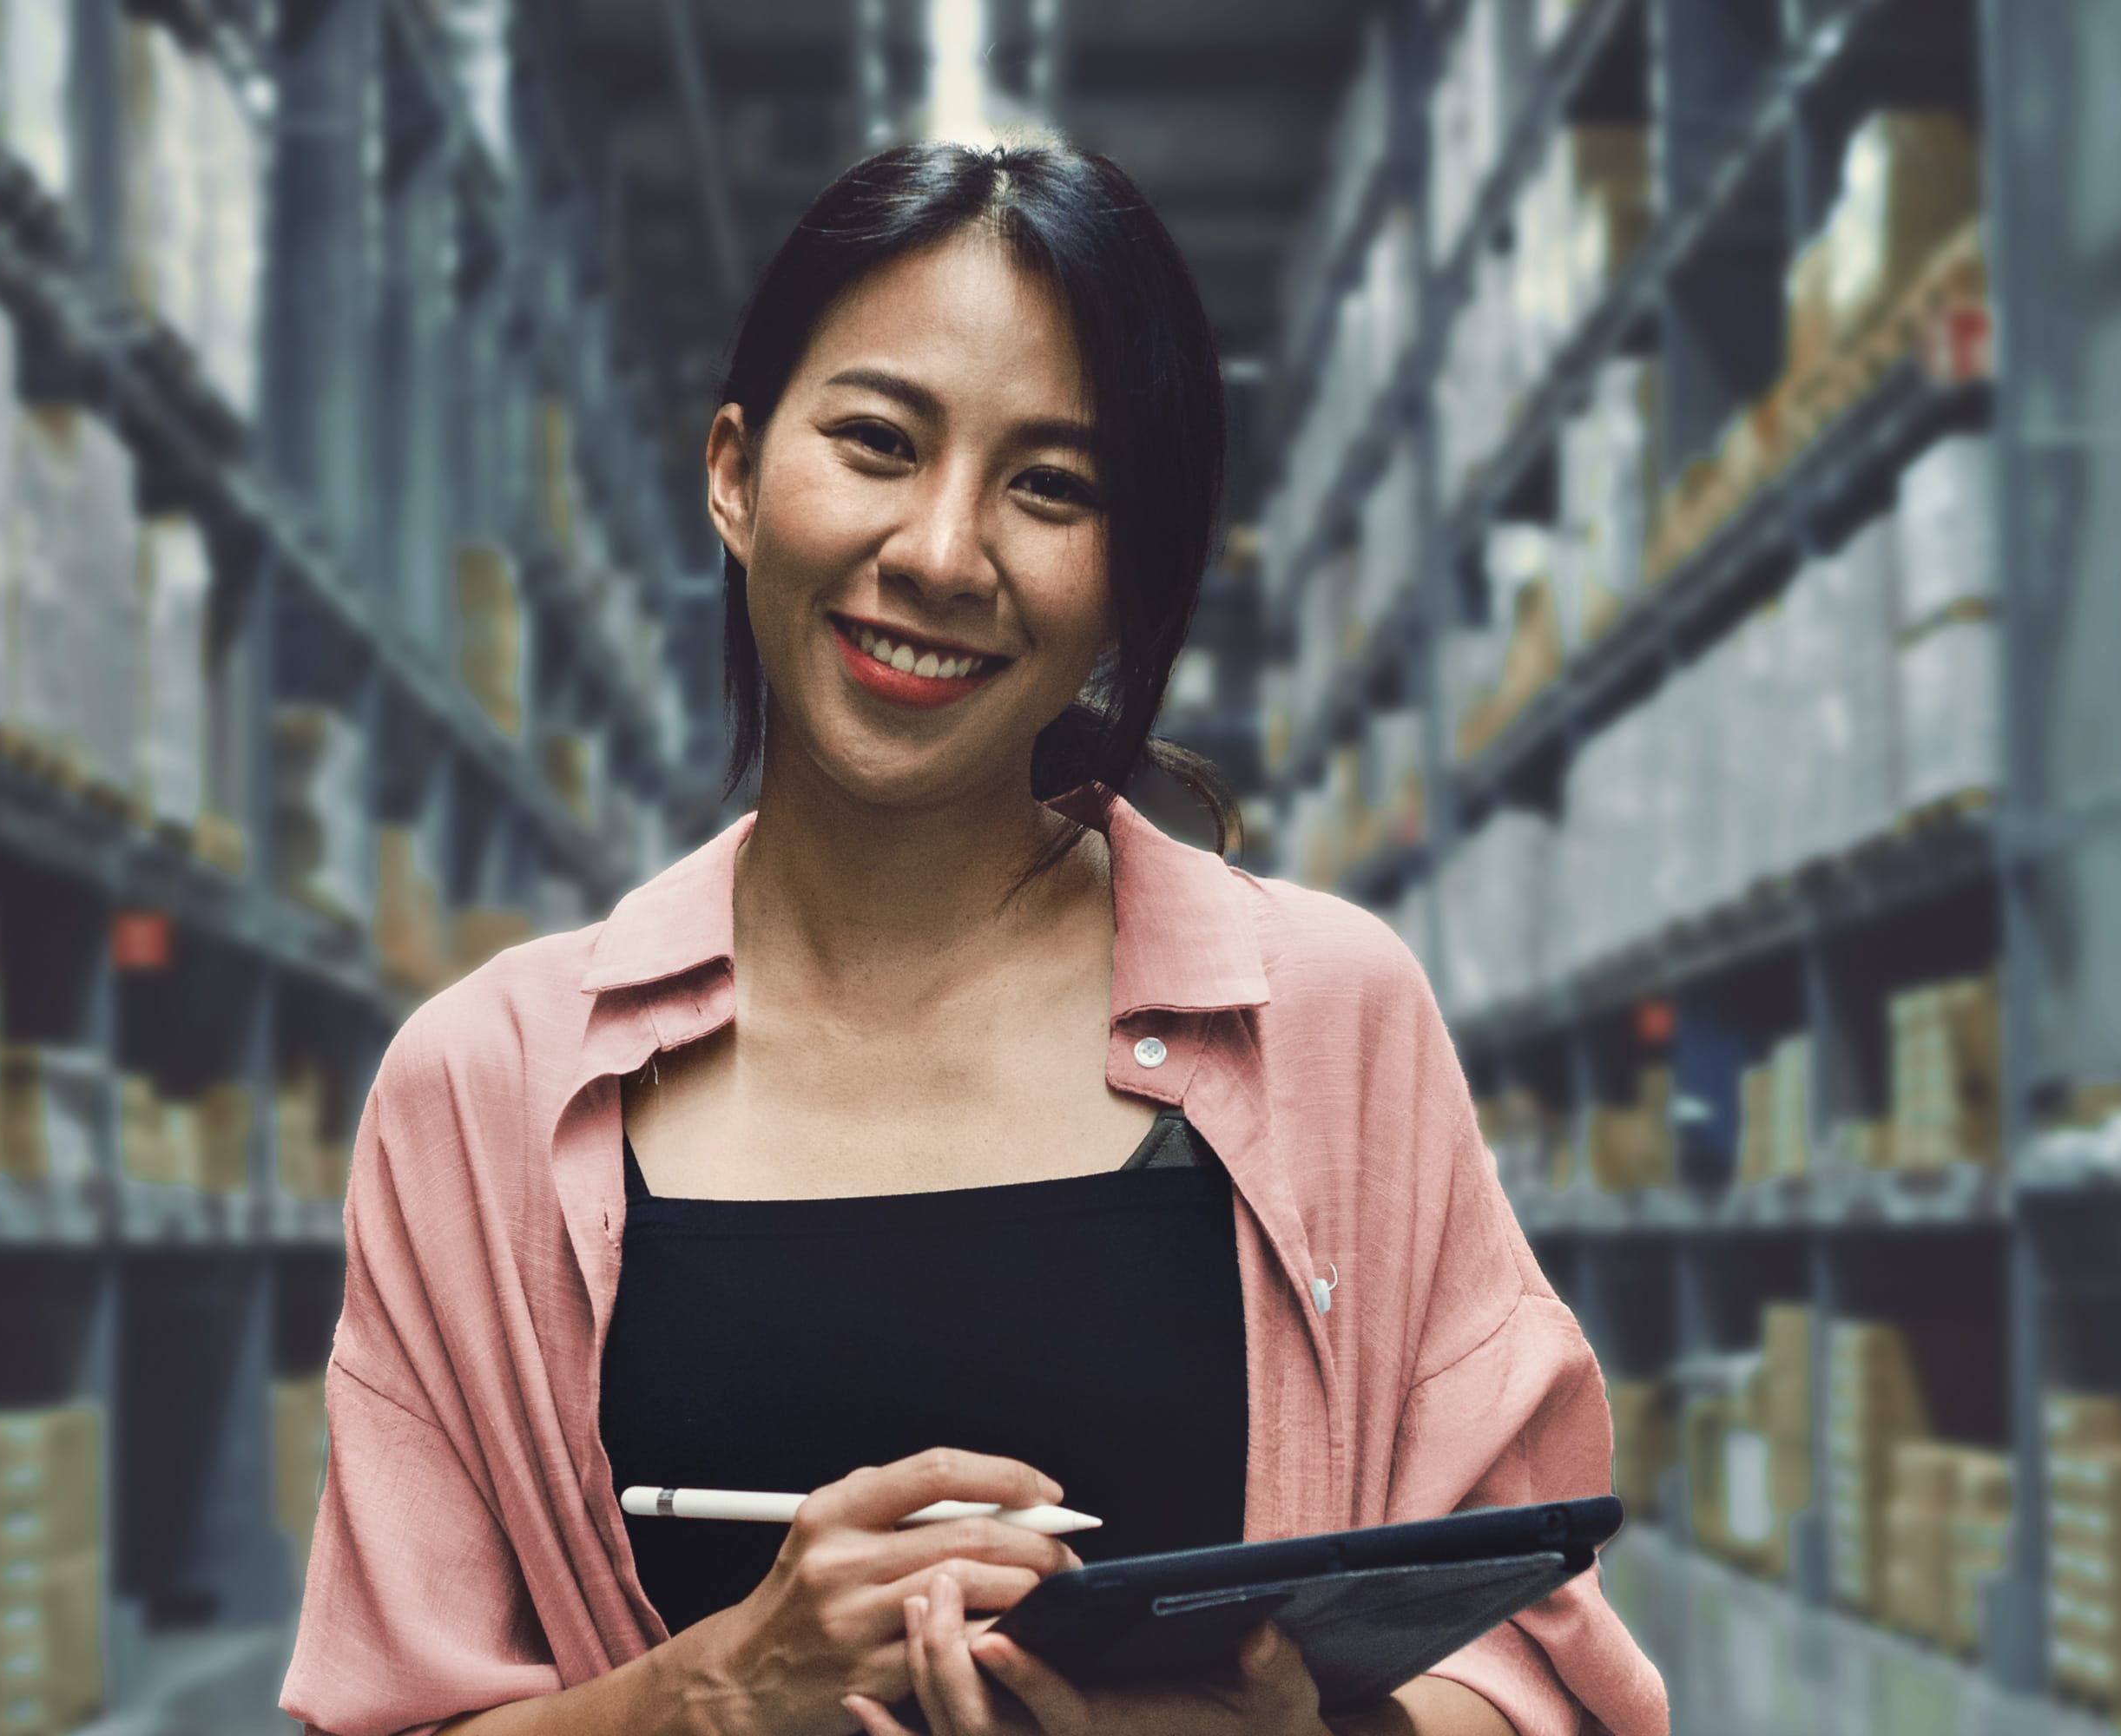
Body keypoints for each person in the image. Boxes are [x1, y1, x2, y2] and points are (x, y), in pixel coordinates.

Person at [280, 137, 1666, 1736]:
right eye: (877, 441)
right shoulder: (483, 1095)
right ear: (734, 472)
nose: (941, 553)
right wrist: (723, 1690)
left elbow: (1537, 1664)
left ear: (1129, 580)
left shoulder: (1327, 1024)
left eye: (1051, 488)